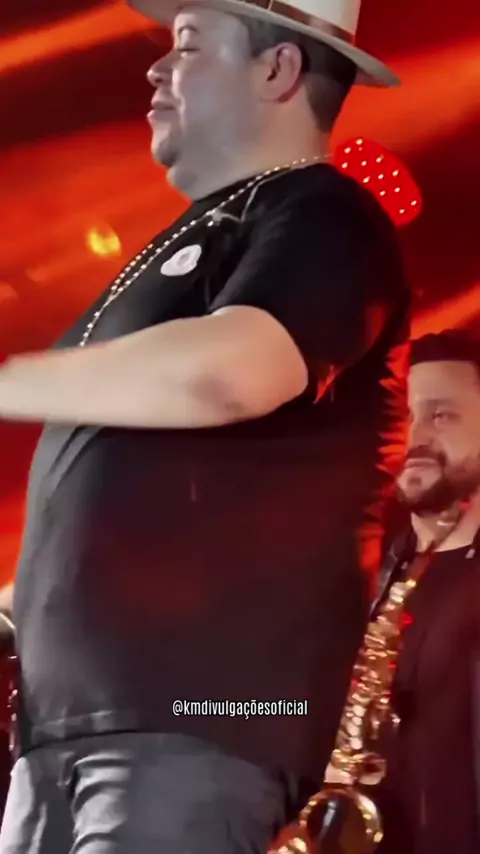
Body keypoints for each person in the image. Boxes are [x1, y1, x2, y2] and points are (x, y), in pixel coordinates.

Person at [0, 0, 408, 850]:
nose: (155, 69)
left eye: (187, 46)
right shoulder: (190, 243)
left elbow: (229, 373)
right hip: (72, 735)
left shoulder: (324, 214)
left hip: (198, 721)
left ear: (278, 70)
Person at [375, 330, 480, 854]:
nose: (414, 435)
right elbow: (286, 708)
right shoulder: (364, 578)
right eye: (405, 416)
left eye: (441, 415)